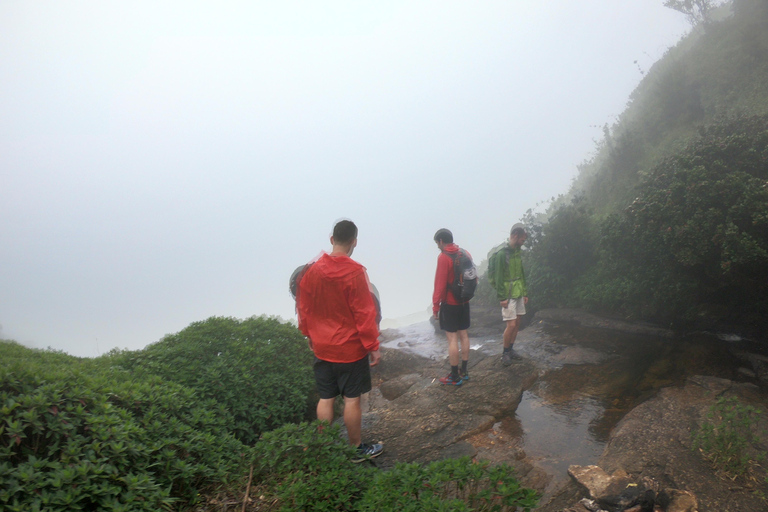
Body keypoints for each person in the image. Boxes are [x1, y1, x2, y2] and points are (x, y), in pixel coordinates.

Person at [297, 219, 384, 461]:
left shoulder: (312, 270)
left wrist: (309, 334)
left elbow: (304, 307)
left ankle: (324, 447)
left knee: (326, 397)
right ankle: (356, 449)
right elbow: (364, 313)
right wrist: (373, 346)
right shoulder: (355, 272)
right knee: (351, 399)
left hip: (322, 347)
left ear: (331, 238)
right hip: (349, 349)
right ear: (354, 241)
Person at [432, 228, 471, 386]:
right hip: (464, 301)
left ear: (441, 241)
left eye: (437, 243)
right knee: (464, 335)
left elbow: (439, 284)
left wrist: (436, 306)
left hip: (450, 303)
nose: (437, 246)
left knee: (452, 339)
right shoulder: (465, 253)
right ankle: (465, 371)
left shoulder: (443, 257)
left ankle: (454, 376)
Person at [488, 224, 528, 366]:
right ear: (515, 236)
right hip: (508, 293)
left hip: (518, 291)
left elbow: (521, 272)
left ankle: (511, 350)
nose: (523, 243)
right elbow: (498, 277)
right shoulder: (501, 254)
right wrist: (502, 297)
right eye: (522, 240)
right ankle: (505, 353)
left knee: (517, 323)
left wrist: (524, 292)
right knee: (510, 325)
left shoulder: (517, 251)